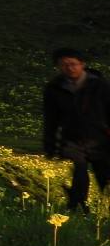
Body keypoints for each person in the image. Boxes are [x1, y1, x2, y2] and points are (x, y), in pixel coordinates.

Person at [41, 48, 110, 209]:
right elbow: (50, 118)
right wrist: (50, 145)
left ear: (82, 64)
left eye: (73, 64)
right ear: (58, 67)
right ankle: (78, 208)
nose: (69, 68)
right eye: (64, 65)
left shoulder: (99, 85)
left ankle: (104, 209)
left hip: (100, 139)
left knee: (104, 175)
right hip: (72, 139)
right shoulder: (54, 89)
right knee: (79, 174)